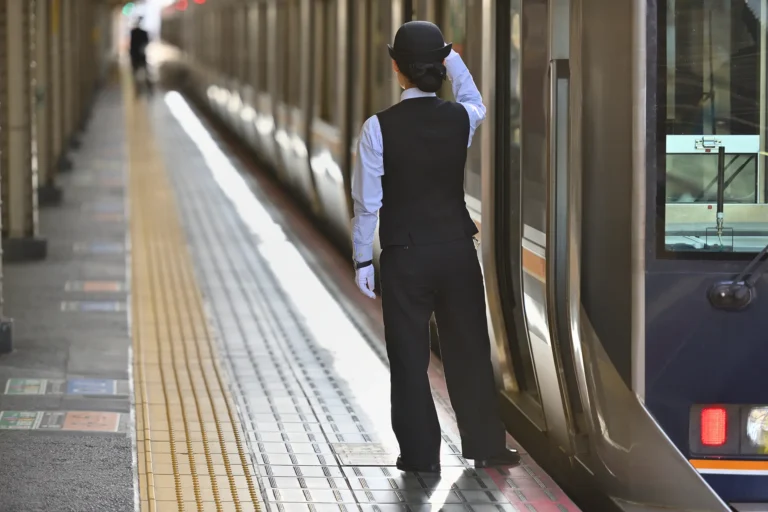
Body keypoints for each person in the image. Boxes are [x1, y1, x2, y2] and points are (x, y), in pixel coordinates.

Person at [350, 21, 521, 473]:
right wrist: (452, 58)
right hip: (456, 252)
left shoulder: (377, 128)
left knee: (408, 356)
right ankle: (485, 444)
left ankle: (421, 455)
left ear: (396, 69)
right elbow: (475, 100)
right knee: (468, 350)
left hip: (406, 255)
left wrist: (363, 258)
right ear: (440, 68)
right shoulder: (460, 118)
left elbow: (367, 203)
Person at [129, 17, 152, 94]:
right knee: (144, 71)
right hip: (140, 54)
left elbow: (132, 44)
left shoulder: (133, 32)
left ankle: (137, 86)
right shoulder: (143, 33)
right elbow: (146, 42)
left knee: (136, 71)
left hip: (135, 55)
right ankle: (147, 86)